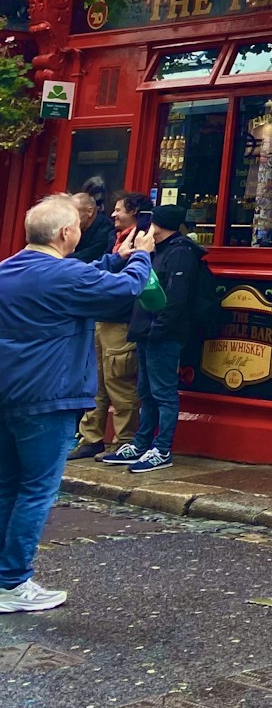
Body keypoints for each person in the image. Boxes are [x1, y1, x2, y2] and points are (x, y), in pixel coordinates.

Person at [0, 195, 152, 612]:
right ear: (66, 233)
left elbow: (84, 276)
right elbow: (125, 290)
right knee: (36, 489)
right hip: (48, 395)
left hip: (7, 392)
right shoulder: (65, 275)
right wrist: (141, 257)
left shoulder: (8, 269)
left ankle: (3, 577)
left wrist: (115, 258)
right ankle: (12, 582)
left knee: (7, 486)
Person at [101, 204, 210, 473]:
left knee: (163, 392)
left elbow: (176, 298)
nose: (146, 226)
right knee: (146, 391)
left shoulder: (181, 252)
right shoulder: (154, 249)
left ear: (159, 224)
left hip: (164, 333)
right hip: (145, 331)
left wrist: (158, 328)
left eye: (151, 221)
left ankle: (162, 449)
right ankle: (141, 443)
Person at [71, 191, 146, 460]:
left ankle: (124, 441)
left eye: (119, 209)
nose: (113, 214)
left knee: (120, 383)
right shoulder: (115, 239)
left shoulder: (140, 241)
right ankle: (91, 438)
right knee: (94, 383)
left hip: (120, 320)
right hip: (101, 317)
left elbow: (132, 282)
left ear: (134, 212)